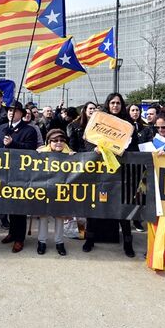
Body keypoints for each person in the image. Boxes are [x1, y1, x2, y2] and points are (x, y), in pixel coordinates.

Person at [82, 93, 137, 258]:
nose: (115, 105)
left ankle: (128, 242)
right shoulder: (98, 121)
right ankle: (89, 239)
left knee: (123, 208)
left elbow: (134, 147)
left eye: (118, 103)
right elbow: (87, 141)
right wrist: (94, 149)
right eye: (112, 103)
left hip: (121, 172)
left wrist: (124, 148)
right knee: (95, 206)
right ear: (108, 104)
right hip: (100, 172)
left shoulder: (128, 125)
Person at [0, 101, 39, 253]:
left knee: (19, 207)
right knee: (9, 205)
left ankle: (20, 238)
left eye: (15, 110)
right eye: (10, 110)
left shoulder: (29, 130)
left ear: (22, 113)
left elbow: (31, 150)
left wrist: (14, 143)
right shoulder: (1, 129)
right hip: (3, 173)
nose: (11, 112)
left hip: (20, 174)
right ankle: (12, 233)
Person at [34, 128, 72, 256]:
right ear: (49, 142)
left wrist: (76, 157)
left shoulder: (71, 154)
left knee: (60, 216)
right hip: (44, 189)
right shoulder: (40, 153)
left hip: (61, 190)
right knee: (43, 215)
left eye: (61, 140)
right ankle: (41, 241)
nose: (58, 143)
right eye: (55, 140)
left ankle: (59, 242)